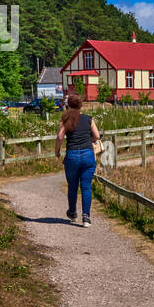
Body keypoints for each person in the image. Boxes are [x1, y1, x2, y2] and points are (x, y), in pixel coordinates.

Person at [55, 92, 101, 227]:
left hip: (72, 156)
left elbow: (59, 137)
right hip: (87, 155)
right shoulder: (88, 119)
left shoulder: (65, 120)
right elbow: (97, 135)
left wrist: (57, 151)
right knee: (86, 187)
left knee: (73, 186)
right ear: (81, 105)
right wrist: (89, 140)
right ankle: (86, 217)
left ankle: (73, 212)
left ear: (69, 105)